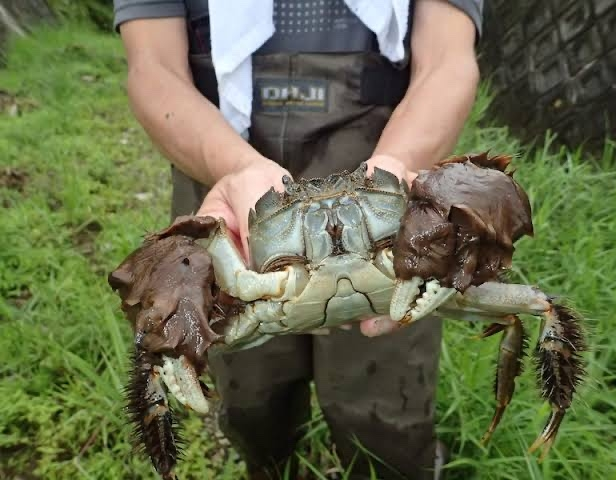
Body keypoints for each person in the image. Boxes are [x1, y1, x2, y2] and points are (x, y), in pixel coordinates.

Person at [113, 1, 482, 478]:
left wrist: (400, 161)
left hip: (384, 163)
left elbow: (449, 59)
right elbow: (152, 67)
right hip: (227, 164)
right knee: (251, 398)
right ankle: (267, 463)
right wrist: (236, 167)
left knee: (385, 406)